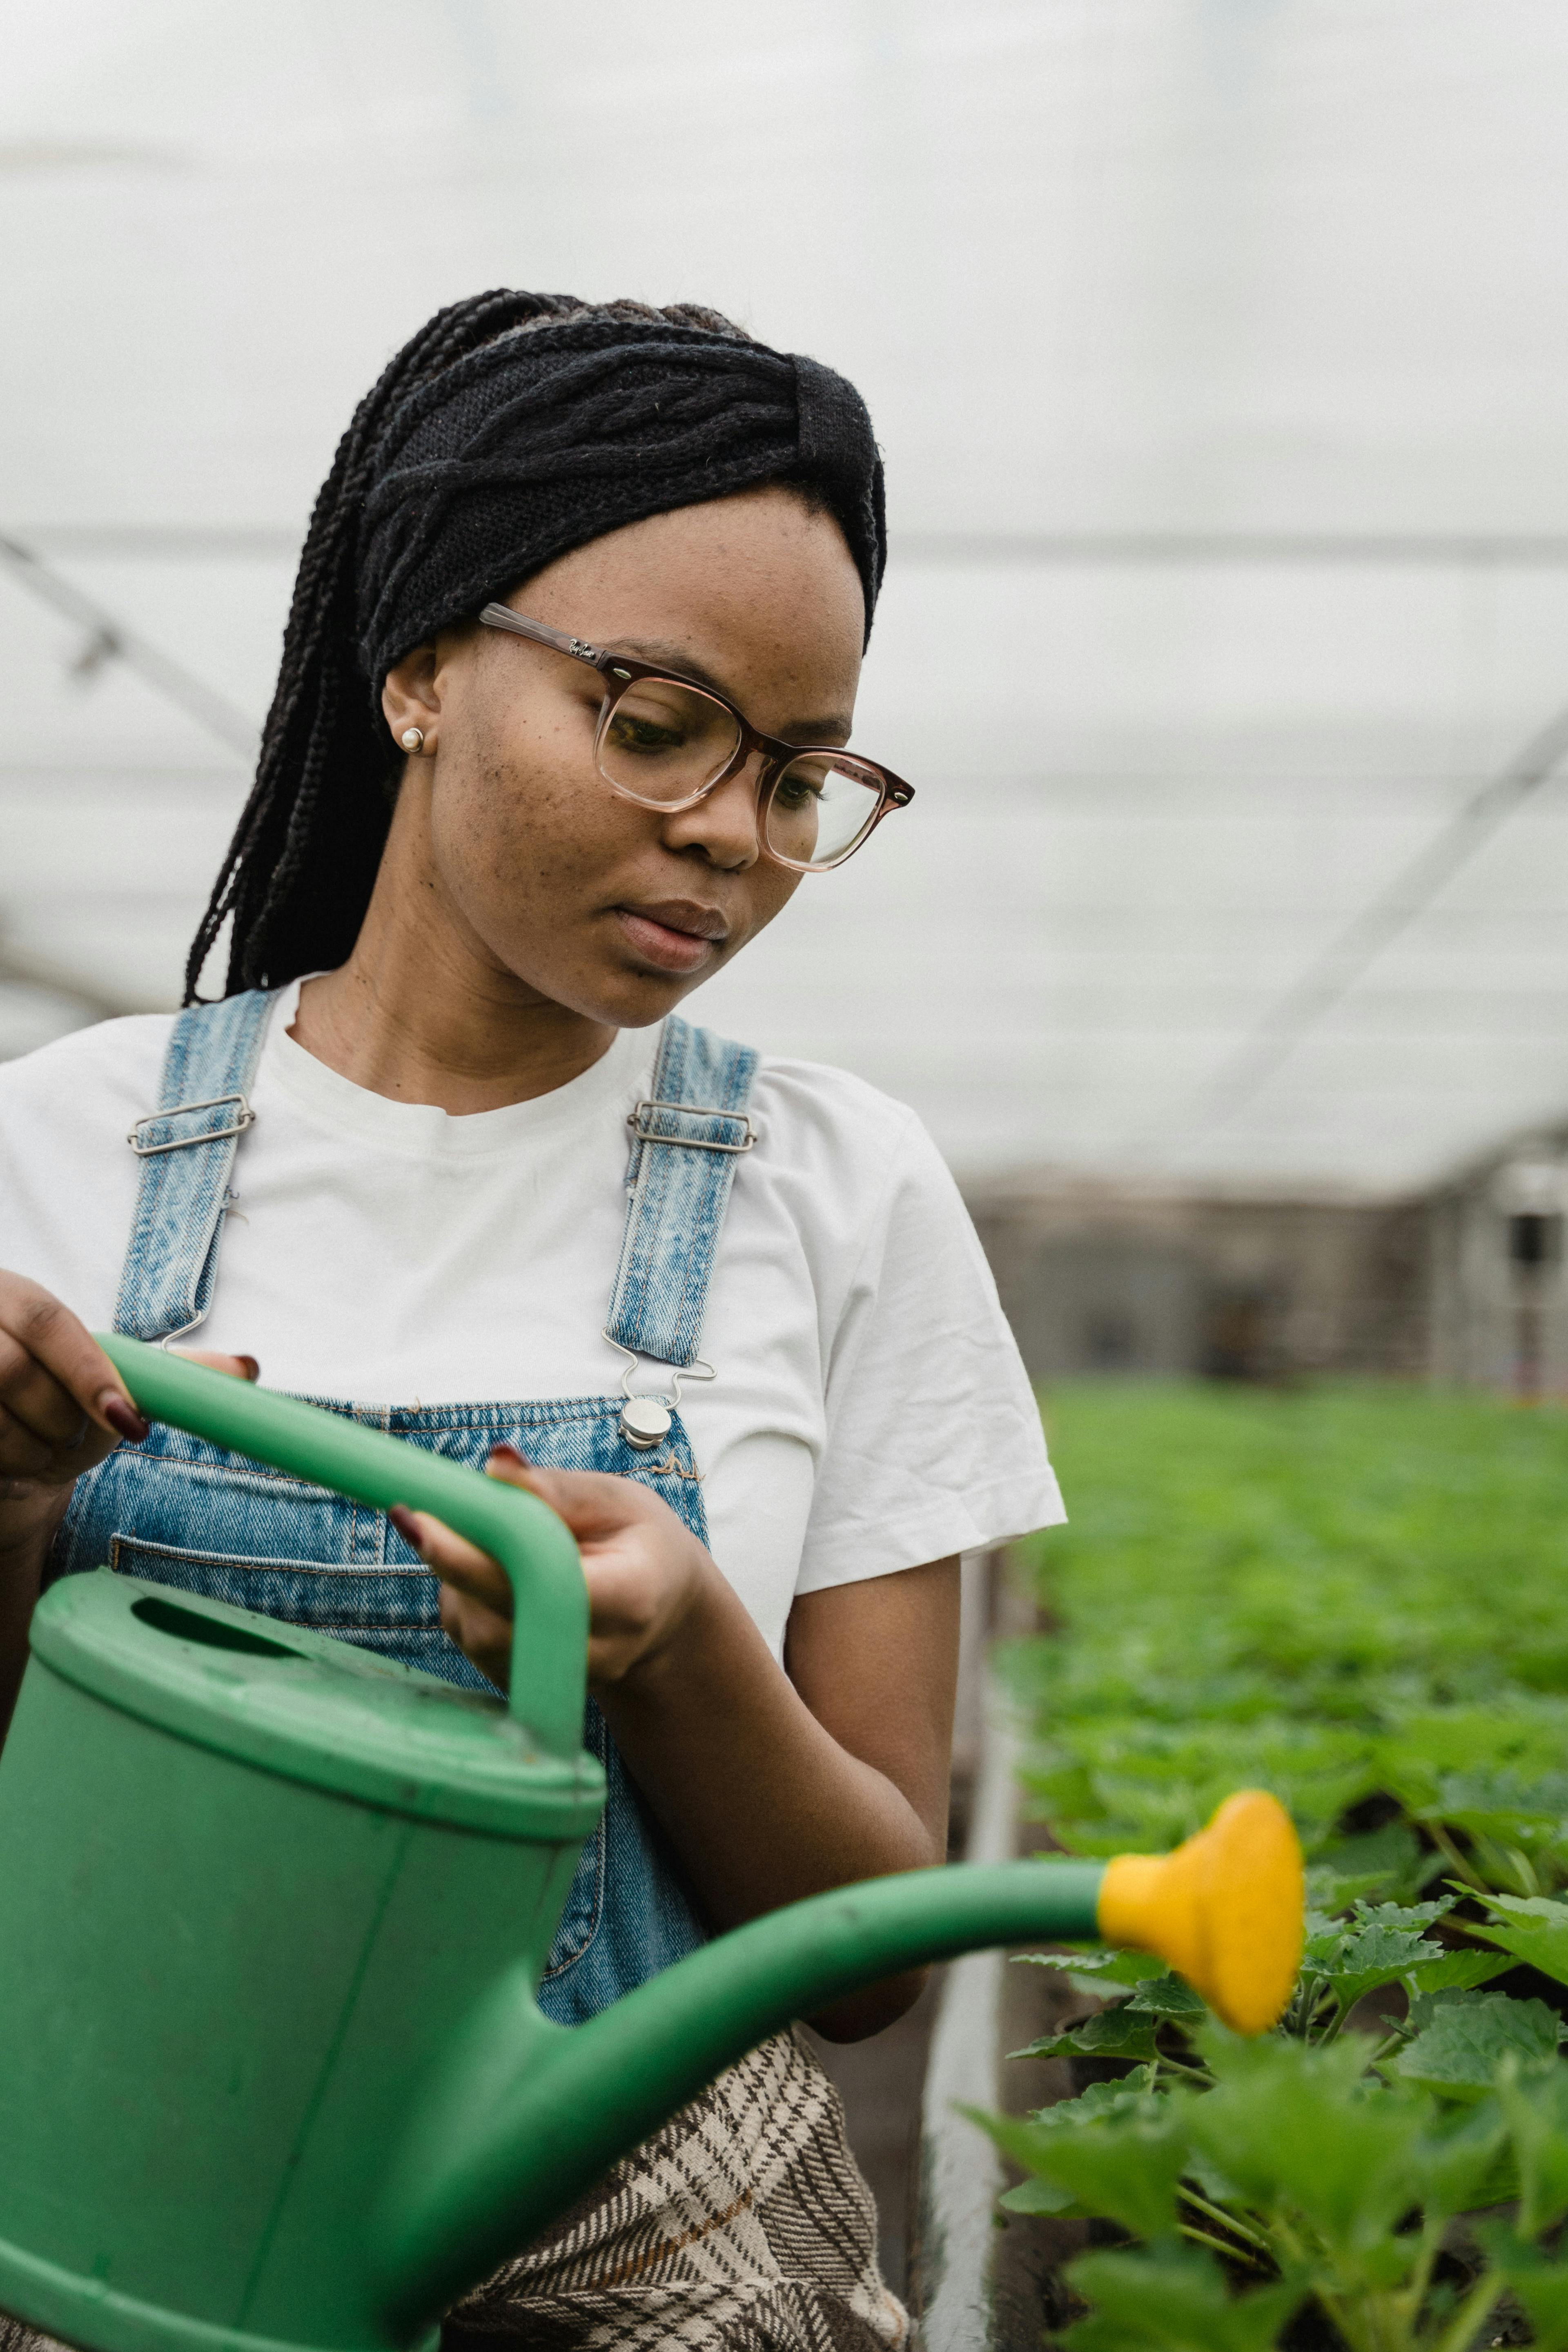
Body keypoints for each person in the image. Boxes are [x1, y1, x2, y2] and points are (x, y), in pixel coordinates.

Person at [0, 292, 1062, 2350]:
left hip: (656, 2211)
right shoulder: (63, 1150)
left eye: (801, 777)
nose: (734, 841)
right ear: (418, 668)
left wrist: (677, 1667)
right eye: (655, 725)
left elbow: (869, 1960)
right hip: (106, 2162)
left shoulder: (842, 1194)